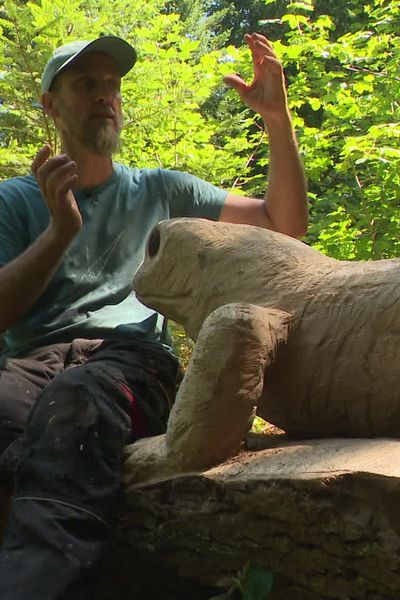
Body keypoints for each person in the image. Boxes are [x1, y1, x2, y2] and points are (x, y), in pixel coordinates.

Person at [0, 33, 307, 599]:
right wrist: (60, 231)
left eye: (112, 85)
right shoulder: (15, 201)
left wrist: (277, 119)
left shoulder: (161, 190)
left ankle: (35, 585)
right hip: (34, 362)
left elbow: (282, 223)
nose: (104, 96)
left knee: (76, 403)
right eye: (85, 84)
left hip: (131, 364)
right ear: (51, 104)